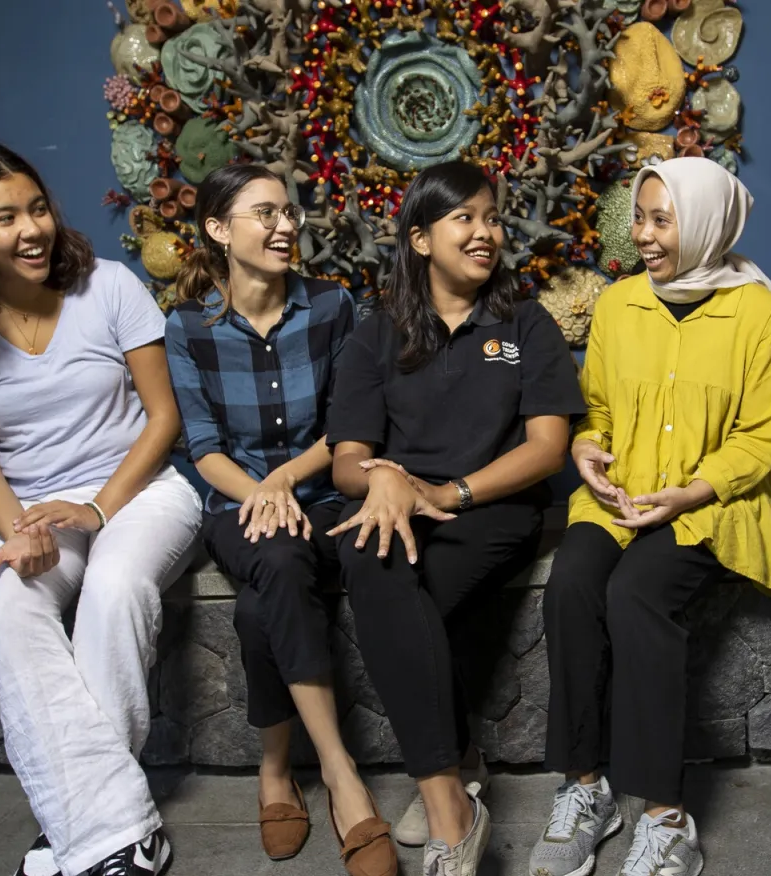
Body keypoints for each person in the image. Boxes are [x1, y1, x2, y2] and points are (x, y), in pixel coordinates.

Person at [0, 141, 199, 876]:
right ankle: (116, 832)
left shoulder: (109, 287)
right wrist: (18, 527)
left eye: (37, 207)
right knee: (8, 602)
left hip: (138, 491)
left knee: (114, 588)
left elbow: (163, 419)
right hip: (28, 510)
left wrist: (99, 510)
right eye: (5, 218)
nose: (32, 228)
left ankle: (81, 827)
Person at [529, 157, 771, 876]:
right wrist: (587, 448)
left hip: (708, 506)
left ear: (705, 223)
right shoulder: (618, 305)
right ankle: (586, 791)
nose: (642, 235)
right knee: (573, 584)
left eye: (660, 219)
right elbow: (601, 412)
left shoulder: (759, 313)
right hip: (618, 498)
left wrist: (690, 493)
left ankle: (665, 816)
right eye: (639, 217)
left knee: (636, 594)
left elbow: (762, 436)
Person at [324, 160, 585, 876]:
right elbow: (349, 459)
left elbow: (547, 448)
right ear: (419, 238)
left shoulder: (526, 323)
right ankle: (453, 807)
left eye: (492, 217)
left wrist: (451, 494)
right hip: (400, 505)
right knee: (371, 560)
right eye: (464, 218)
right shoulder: (374, 334)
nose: (485, 232)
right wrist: (387, 482)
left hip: (491, 509)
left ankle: (453, 774)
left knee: (407, 596)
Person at [163, 163, 395, 876]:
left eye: (288, 212)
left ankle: (276, 768)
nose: (286, 226)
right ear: (217, 229)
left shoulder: (332, 307)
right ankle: (340, 772)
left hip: (321, 496)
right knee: (279, 559)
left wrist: (285, 483)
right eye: (264, 214)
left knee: (264, 602)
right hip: (235, 503)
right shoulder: (188, 326)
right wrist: (259, 493)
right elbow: (201, 445)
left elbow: (346, 424)